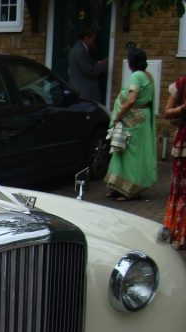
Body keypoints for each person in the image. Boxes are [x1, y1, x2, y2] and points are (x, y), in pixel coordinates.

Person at [104, 48, 157, 201]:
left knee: (128, 155)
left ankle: (128, 191)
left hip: (132, 121)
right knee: (125, 153)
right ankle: (118, 187)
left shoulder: (136, 76)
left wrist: (118, 115)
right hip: (139, 120)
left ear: (131, 62)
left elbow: (132, 99)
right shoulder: (148, 76)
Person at [163, 75, 186, 248]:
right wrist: (182, 109)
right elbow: (167, 112)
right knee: (181, 188)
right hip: (184, 143)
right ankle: (178, 232)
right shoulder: (182, 83)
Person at [68, 28, 107, 102]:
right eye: (92, 40)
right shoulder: (81, 51)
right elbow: (89, 70)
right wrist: (102, 64)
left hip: (76, 87)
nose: (93, 43)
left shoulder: (74, 48)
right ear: (86, 38)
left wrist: (97, 63)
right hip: (84, 91)